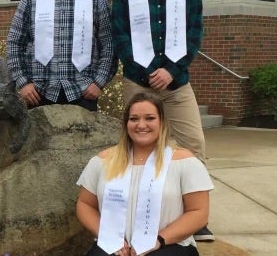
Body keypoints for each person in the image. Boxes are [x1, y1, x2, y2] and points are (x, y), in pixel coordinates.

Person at [110, 0, 213, 241]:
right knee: (136, 147)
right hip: (138, 83)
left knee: (193, 145)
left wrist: (170, 68)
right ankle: (136, 213)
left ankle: (196, 217)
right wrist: (153, 67)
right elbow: (120, 37)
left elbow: (194, 34)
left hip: (177, 84)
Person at [76, 92, 213, 256]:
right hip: (117, 246)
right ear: (126, 123)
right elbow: (85, 204)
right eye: (134, 119)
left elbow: (199, 211)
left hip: (168, 244)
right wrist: (108, 237)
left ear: (162, 122)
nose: (141, 125)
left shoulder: (184, 162)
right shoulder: (103, 161)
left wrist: (159, 240)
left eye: (149, 118)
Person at [6, 0, 115, 112]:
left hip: (83, 91)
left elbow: (108, 43)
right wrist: (23, 83)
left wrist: (98, 82)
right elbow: (14, 43)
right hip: (39, 92)